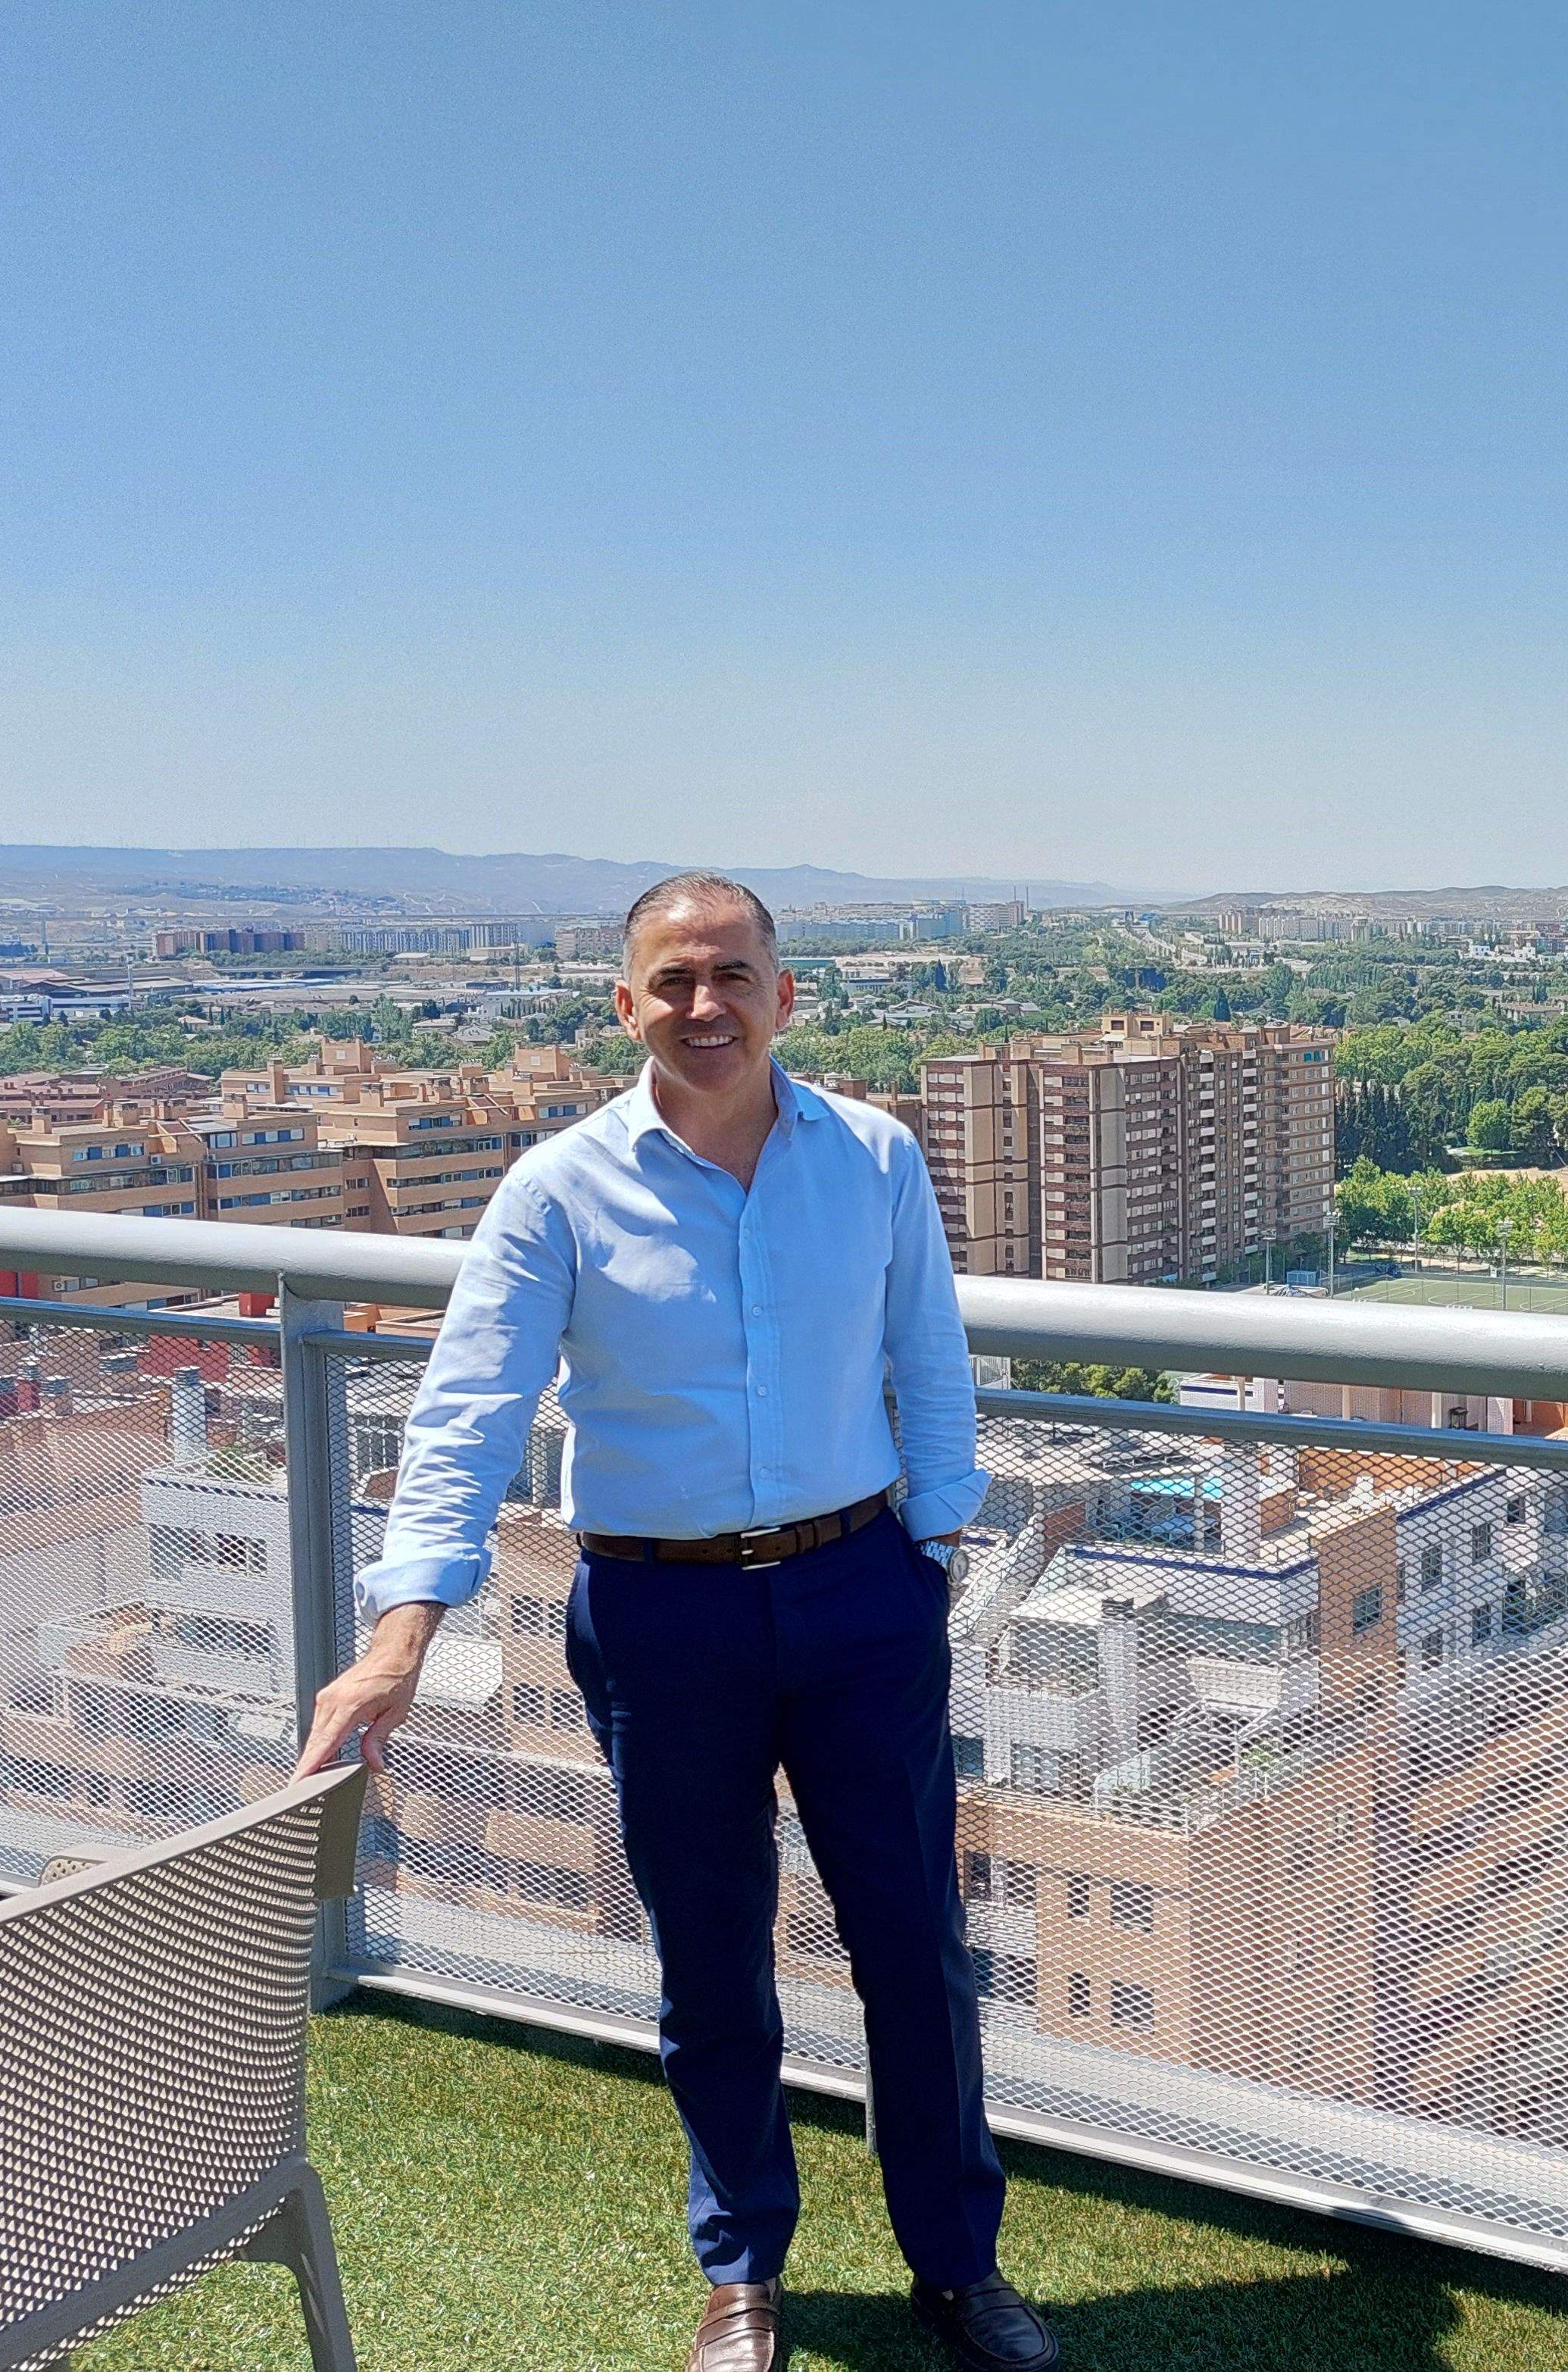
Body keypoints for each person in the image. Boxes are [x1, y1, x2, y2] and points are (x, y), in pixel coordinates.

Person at [298, 873, 1057, 2372]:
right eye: (671, 981)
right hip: (661, 1614)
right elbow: (466, 1415)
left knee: (915, 1950)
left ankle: (958, 2265)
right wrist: (401, 1632)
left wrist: (934, 1547)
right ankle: (743, 2279)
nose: (703, 1006)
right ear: (625, 1005)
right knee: (711, 1963)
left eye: (731, 975)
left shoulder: (875, 1160)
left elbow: (930, 1354)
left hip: (860, 1601)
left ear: (786, 994)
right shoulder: (558, 1190)